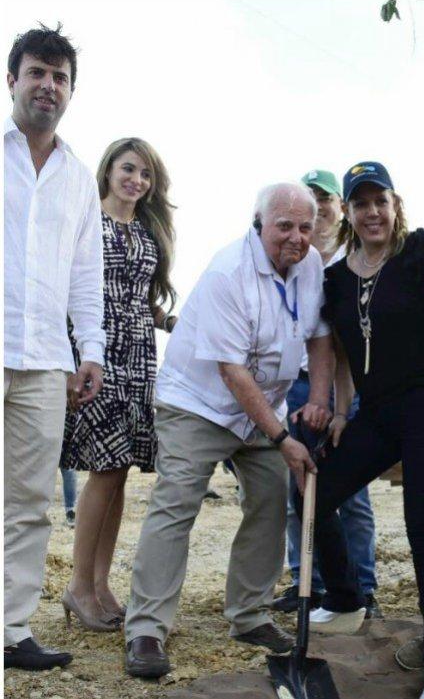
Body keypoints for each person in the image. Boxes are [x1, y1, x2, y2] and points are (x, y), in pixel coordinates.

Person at [122, 183, 334, 677]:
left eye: (305, 227)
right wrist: (283, 440)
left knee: (268, 501)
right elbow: (231, 372)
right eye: (284, 226)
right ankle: (147, 629)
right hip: (199, 403)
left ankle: (250, 615)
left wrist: (321, 400)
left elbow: (321, 337)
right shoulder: (228, 272)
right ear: (259, 224)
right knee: (177, 503)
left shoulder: (312, 266)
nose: (296, 238)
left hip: (263, 405)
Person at [295, 163, 424, 689]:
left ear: (395, 205)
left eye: (380, 201)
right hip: (378, 411)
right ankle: (347, 599)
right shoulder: (334, 278)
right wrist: (340, 411)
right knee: (313, 487)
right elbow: (342, 355)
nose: (372, 212)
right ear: (348, 213)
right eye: (361, 203)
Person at [4, 24, 105, 671]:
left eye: (60, 76)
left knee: (31, 502)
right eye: (37, 71)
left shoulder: (77, 176)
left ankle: (10, 629)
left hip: (45, 358)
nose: (49, 85)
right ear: (12, 79)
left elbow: (85, 271)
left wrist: (89, 347)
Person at [57, 138, 178, 634]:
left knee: (121, 470)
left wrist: (162, 319)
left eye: (146, 174)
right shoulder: (87, 219)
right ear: (108, 171)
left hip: (139, 357)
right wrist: (73, 359)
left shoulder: (149, 229)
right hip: (96, 355)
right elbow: (72, 288)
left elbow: (139, 295)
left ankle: (100, 584)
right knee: (104, 468)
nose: (137, 180)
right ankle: (77, 586)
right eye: (129, 169)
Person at [270, 168, 379, 620]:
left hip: (343, 388)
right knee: (299, 484)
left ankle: (363, 585)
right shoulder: (289, 259)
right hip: (295, 386)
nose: (320, 208)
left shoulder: (355, 262)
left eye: (326, 200)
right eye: (310, 200)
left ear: (340, 209)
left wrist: (341, 402)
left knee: (348, 491)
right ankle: (306, 583)